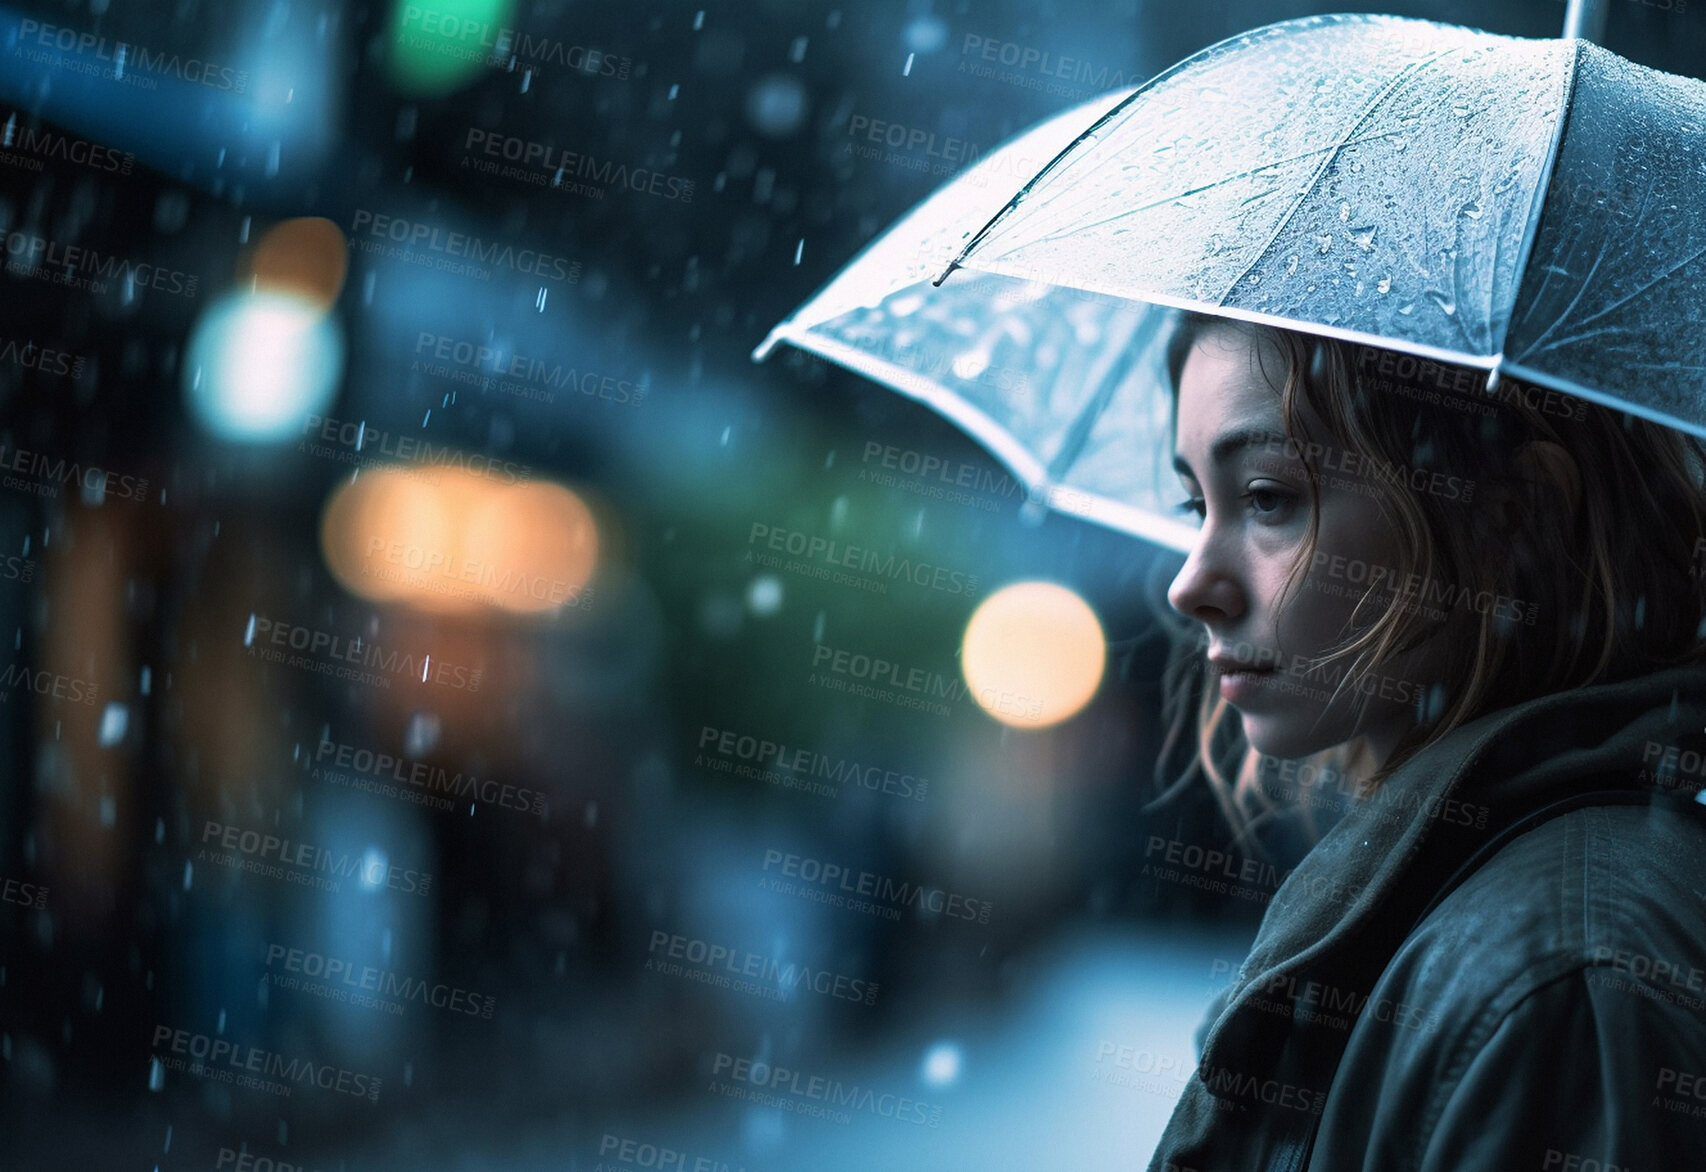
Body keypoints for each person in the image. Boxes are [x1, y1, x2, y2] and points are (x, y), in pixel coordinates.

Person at [1144, 313, 1706, 1172]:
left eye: (1267, 497)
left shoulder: (1566, 988)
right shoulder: (1511, 923)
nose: (1191, 584)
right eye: (1196, 503)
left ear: (1515, 518)